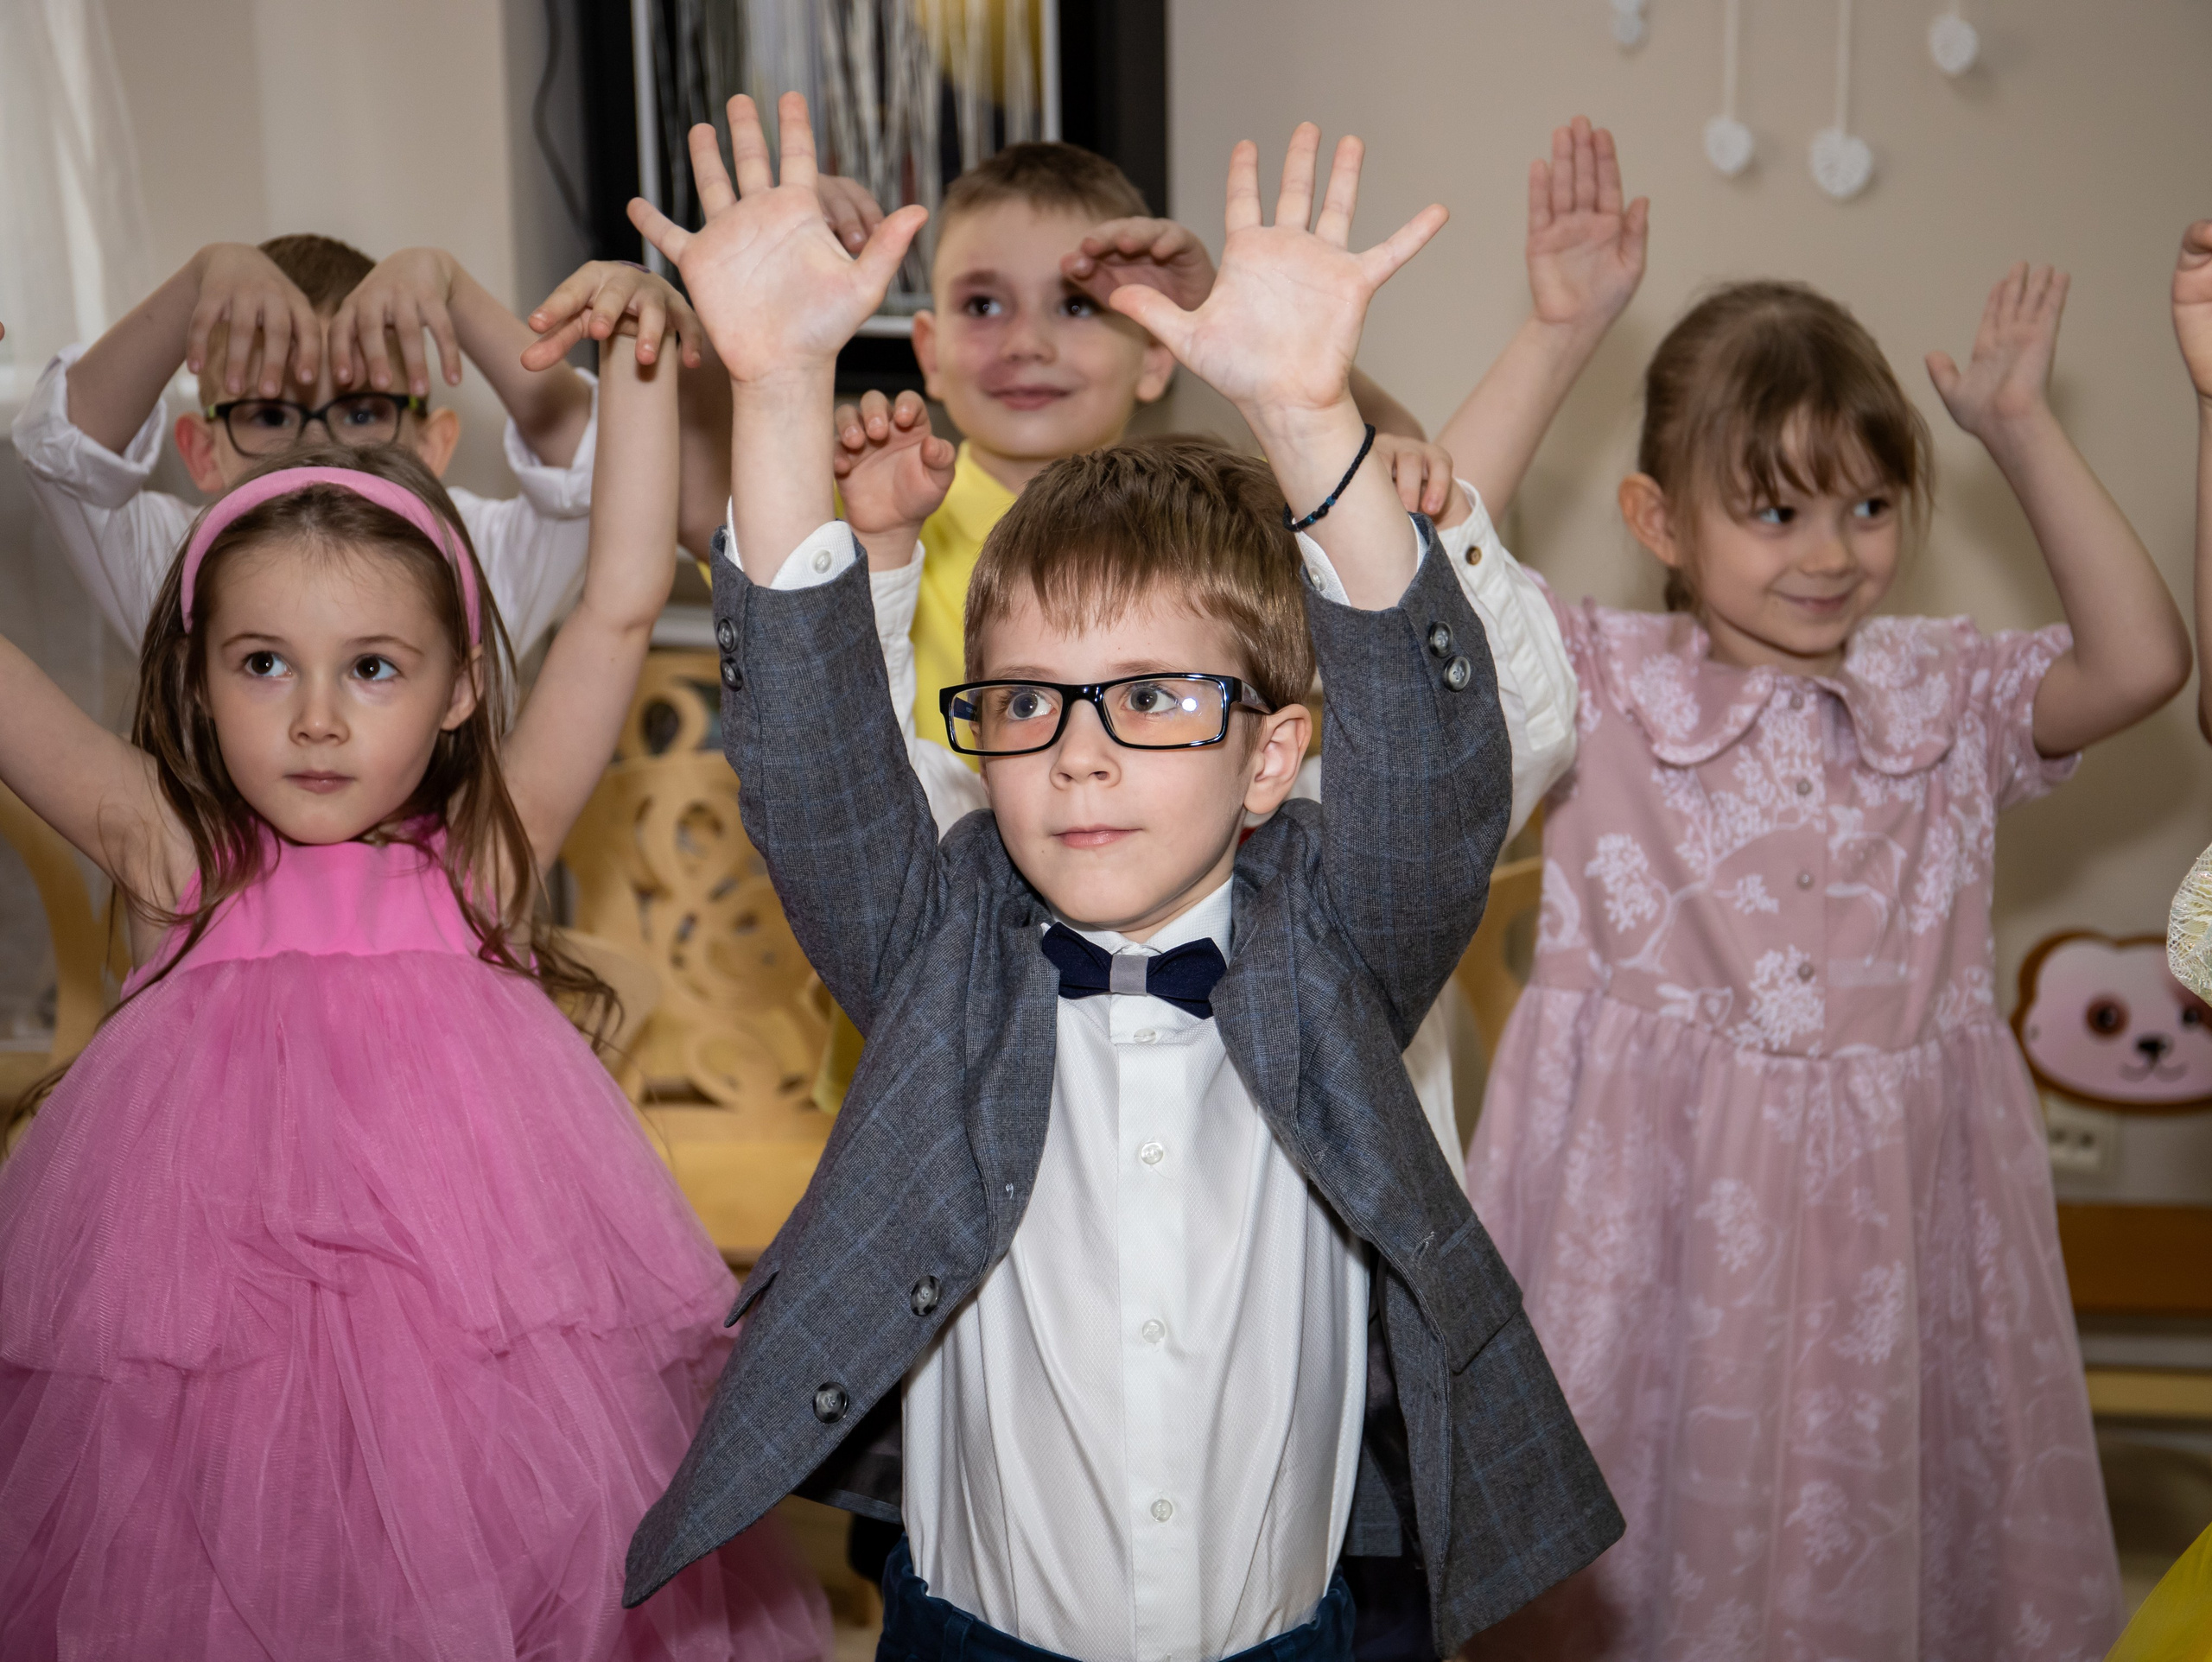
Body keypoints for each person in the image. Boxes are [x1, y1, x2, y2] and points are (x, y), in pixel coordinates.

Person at [620, 92, 1624, 1660]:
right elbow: (812, 760)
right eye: (1027, 703)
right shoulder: (938, 941)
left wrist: (1307, 415)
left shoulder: (1339, 941)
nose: (1079, 756)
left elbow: (1437, 765)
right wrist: (778, 384)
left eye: (1152, 698)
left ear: (1273, 756)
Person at [0, 305, 830, 1659]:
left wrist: (632, 369)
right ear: (199, 683)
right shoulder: (169, 850)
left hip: (470, 1340)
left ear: (457, 691)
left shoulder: (486, 855)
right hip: (202, 1333)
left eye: (374, 669)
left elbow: (620, 605)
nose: (317, 718)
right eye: (263, 665)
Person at [1463, 267, 2190, 1658]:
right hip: (1654, 1235)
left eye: (1869, 505)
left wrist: (2023, 428)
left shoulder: (1946, 692)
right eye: (1776, 511)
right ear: (1658, 521)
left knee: (1862, 1552)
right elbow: (1420, 576)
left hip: (1892, 1244)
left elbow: (2144, 661)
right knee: (1627, 1553)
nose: (1832, 552)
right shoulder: (1599, 681)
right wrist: (1556, 335)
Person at [10, 232, 712, 657]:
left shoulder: (478, 557)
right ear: (201, 453)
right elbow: (62, 450)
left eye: (364, 411)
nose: (317, 447)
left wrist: (451, 288)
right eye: (269, 415)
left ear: (433, 445)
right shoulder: (173, 563)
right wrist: (200, 281)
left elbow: (598, 465)